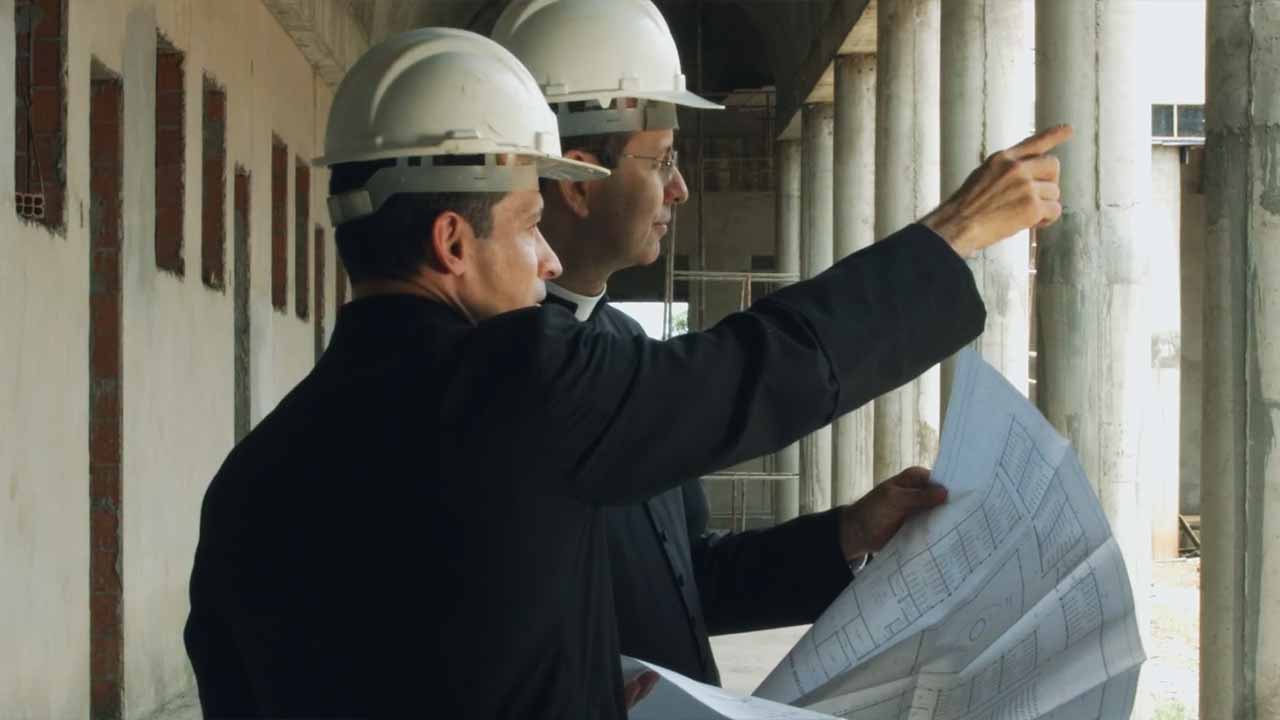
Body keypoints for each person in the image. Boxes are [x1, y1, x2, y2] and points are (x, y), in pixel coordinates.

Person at [184, 24, 1069, 720]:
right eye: (529, 225)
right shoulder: (518, 385)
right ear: (453, 243)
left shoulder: (247, 481)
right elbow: (751, 369)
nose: (543, 261)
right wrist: (948, 239)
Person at [490, 0, 1046, 686]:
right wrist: (949, 236)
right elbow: (752, 368)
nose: (681, 189)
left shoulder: (614, 339)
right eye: (661, 160)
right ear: (578, 180)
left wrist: (849, 533)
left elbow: (690, 576)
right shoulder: (501, 366)